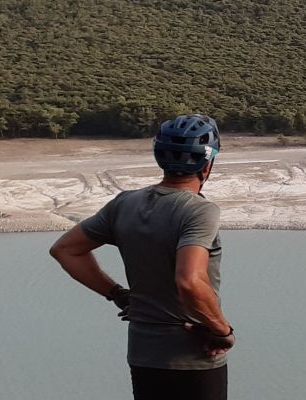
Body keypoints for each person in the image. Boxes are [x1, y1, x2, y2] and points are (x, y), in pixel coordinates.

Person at [49, 114, 235, 400]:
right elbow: (189, 280)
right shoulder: (200, 211)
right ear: (207, 164)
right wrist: (221, 330)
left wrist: (119, 294)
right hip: (193, 357)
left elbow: (65, 249)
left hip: (143, 355)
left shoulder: (124, 203)